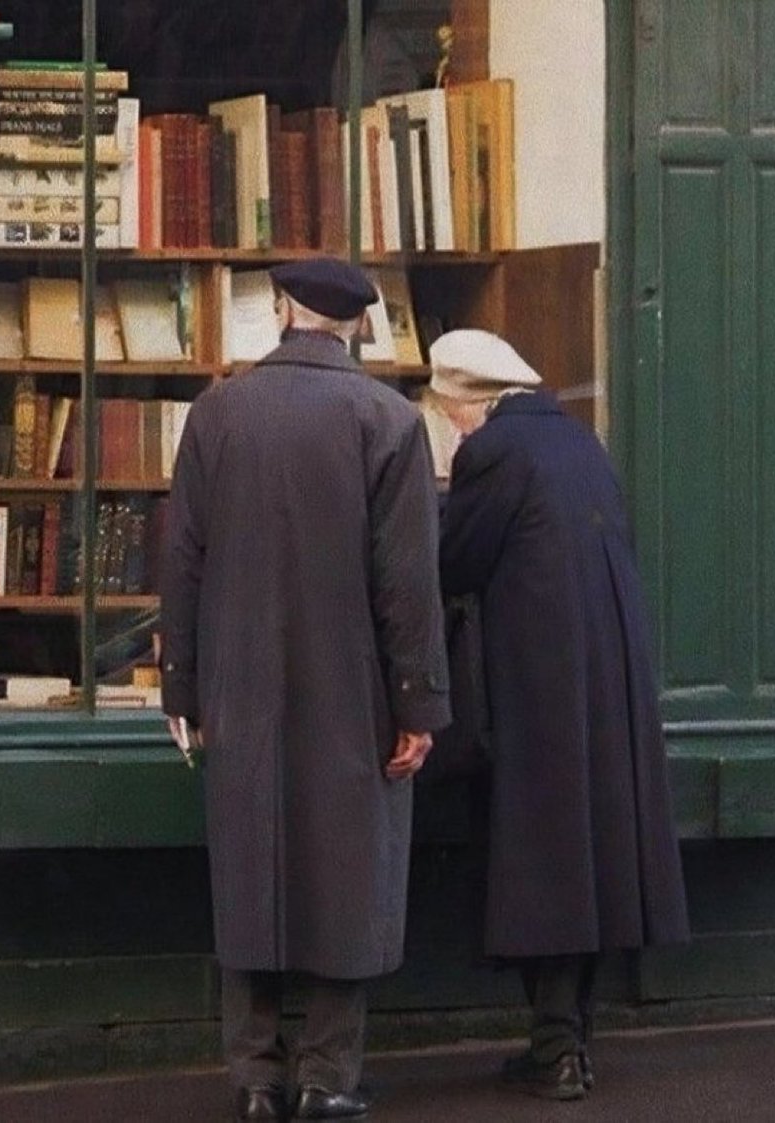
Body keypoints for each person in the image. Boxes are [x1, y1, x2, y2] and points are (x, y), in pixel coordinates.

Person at [161, 258, 451, 1121]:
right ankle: (328, 1074)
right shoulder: (389, 419)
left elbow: (182, 559)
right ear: (358, 325)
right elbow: (408, 582)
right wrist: (418, 705)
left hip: (238, 680)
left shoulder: (218, 412)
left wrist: (182, 686)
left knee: (250, 869)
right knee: (350, 871)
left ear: (284, 310)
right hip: (352, 685)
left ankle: (254, 1076)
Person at [433, 329, 690, 1101]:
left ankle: (555, 1050)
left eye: (448, 413)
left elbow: (454, 563)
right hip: (602, 692)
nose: (450, 428)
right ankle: (571, 1041)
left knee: (540, 867)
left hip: (534, 695)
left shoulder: (495, 452)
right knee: (587, 865)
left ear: (469, 399)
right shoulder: (581, 446)